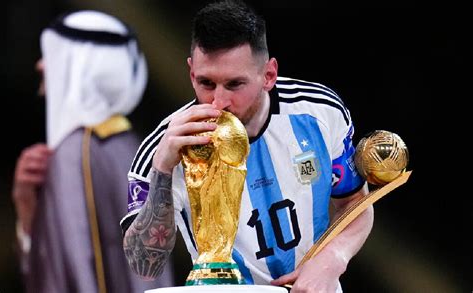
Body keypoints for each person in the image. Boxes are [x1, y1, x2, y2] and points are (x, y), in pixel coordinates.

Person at [121, 1, 374, 292]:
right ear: (191, 73)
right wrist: (162, 170)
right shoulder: (164, 146)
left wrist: (333, 258)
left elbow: (354, 203)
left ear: (269, 75)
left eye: (234, 84)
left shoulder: (319, 113)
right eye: (205, 82)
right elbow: (144, 266)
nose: (218, 102)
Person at [12, 10, 174, 293]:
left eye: (52, 56)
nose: (41, 66)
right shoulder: (128, 143)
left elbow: (70, 267)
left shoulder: (76, 152)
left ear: (79, 66)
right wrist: (28, 209)